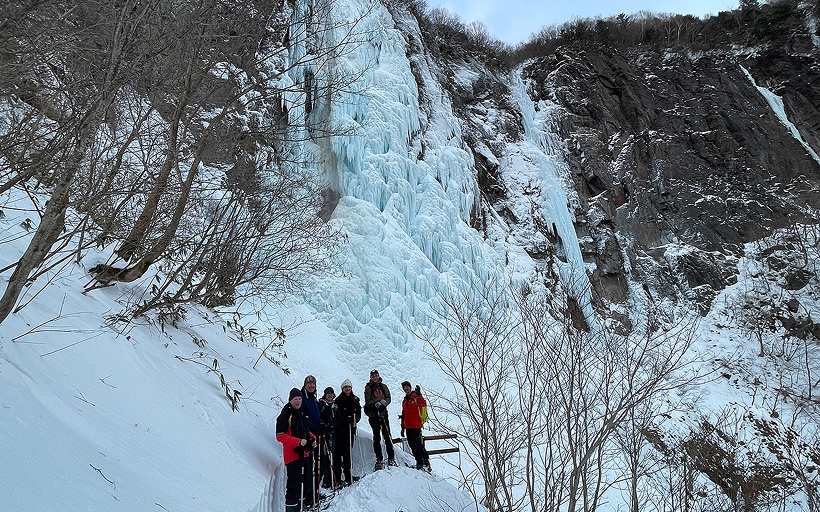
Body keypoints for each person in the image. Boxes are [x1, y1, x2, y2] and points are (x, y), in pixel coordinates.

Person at [276, 388, 317, 512]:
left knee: (306, 481)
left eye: (299, 399)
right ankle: (291, 509)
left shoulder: (300, 413)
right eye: (295, 399)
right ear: (290, 400)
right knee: (294, 486)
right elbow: (280, 436)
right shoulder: (285, 415)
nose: (298, 401)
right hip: (293, 456)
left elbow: (304, 430)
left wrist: (312, 438)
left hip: (304, 454)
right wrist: (298, 442)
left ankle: (301, 506)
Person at [363, 369, 396, 469]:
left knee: (387, 435)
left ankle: (391, 457)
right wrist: (378, 402)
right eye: (373, 376)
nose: (375, 377)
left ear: (378, 376)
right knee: (377, 437)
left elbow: (388, 398)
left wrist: (383, 403)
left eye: (376, 376)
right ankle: (379, 459)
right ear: (371, 377)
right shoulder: (368, 388)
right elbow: (367, 401)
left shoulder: (383, 386)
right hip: (374, 415)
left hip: (383, 413)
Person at [332, 379, 361, 487]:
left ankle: (348, 475)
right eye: (345, 387)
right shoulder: (338, 400)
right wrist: (344, 420)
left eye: (349, 387)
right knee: (338, 454)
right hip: (340, 431)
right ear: (342, 389)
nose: (347, 389)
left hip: (350, 429)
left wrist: (355, 419)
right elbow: (337, 414)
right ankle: (338, 478)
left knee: (348, 453)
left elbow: (358, 412)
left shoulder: (355, 399)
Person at [400, 381, 431, 472]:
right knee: (412, 445)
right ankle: (419, 462)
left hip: (416, 425)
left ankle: (426, 462)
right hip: (408, 426)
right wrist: (402, 426)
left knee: (418, 445)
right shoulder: (405, 400)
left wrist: (420, 395)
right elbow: (404, 413)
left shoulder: (416, 397)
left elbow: (423, 404)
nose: (405, 388)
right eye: (404, 387)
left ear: (410, 387)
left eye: (407, 386)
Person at [317, 386, 337, 489]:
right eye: (328, 393)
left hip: (333, 434)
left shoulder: (335, 405)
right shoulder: (321, 405)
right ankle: (324, 480)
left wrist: (335, 425)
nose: (329, 395)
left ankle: (330, 479)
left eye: (331, 393)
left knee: (332, 456)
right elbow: (318, 417)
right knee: (325, 457)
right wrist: (324, 426)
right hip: (324, 434)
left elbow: (339, 417)